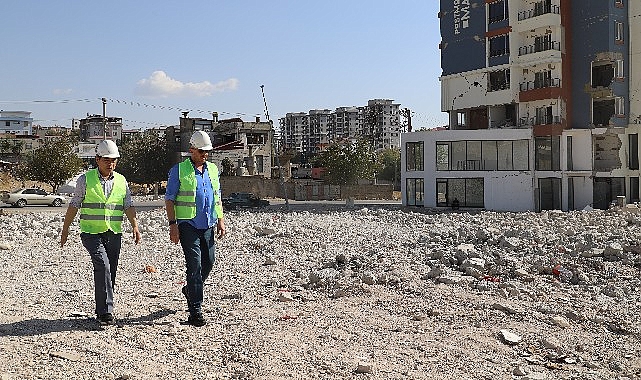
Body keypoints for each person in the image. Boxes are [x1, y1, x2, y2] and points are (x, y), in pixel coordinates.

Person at [60, 140, 141, 325]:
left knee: (109, 271)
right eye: (106, 159)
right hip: (91, 232)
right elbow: (74, 205)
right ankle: (106, 313)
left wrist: (135, 226)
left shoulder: (121, 180)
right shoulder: (85, 179)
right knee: (103, 266)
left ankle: (101, 308)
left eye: (113, 160)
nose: (110, 163)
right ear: (97, 159)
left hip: (113, 232)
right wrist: (65, 230)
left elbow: (128, 205)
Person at [165, 131, 226, 327]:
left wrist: (221, 220)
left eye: (207, 151)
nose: (205, 154)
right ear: (192, 150)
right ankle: (195, 311)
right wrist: (173, 225)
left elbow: (217, 197)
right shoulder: (179, 170)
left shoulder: (213, 170)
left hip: (208, 223)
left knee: (209, 262)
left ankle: (190, 290)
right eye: (201, 151)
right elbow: (170, 199)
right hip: (187, 224)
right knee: (195, 265)